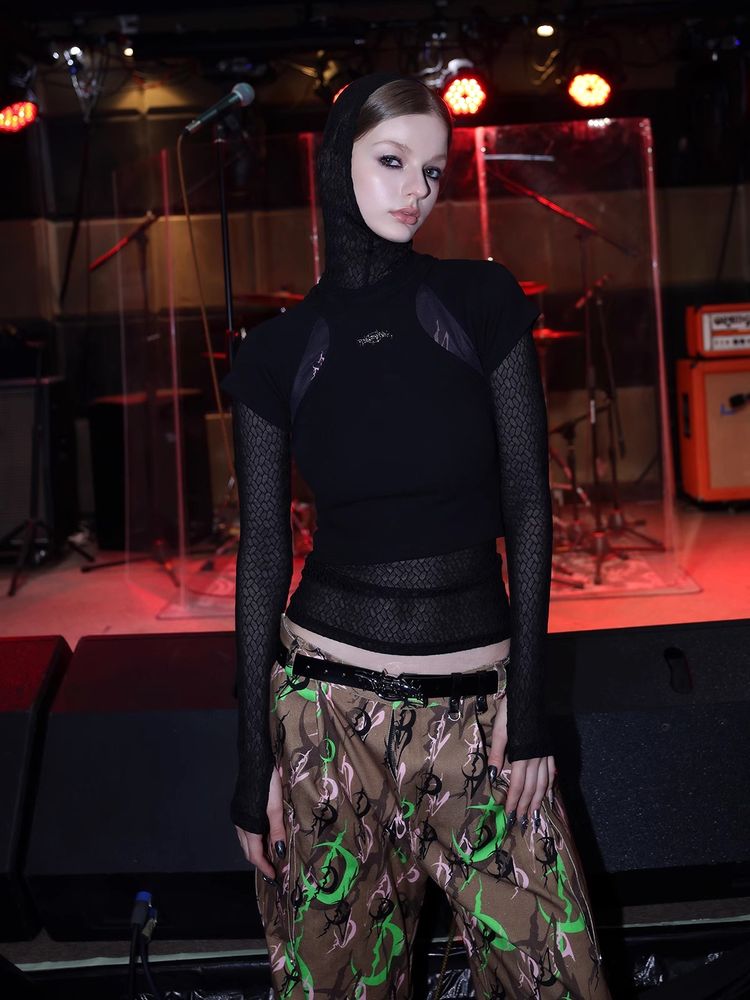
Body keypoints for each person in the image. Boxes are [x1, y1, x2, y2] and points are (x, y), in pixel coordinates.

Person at [221, 71, 611, 1000]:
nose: (415, 191)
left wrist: (529, 708)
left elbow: (528, 506)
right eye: (392, 162)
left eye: (433, 171)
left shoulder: (479, 300)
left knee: (563, 981)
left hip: (483, 721)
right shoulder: (276, 352)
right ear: (336, 163)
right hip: (327, 721)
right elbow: (263, 557)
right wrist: (251, 763)